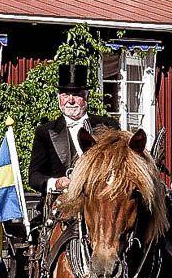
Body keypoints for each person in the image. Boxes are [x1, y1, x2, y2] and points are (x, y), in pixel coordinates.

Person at [28, 63, 118, 203]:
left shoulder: (108, 126)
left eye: (76, 95)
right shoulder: (44, 132)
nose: (70, 100)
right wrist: (56, 183)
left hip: (100, 202)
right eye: (65, 95)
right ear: (59, 98)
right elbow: (34, 177)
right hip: (61, 203)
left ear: (86, 97)